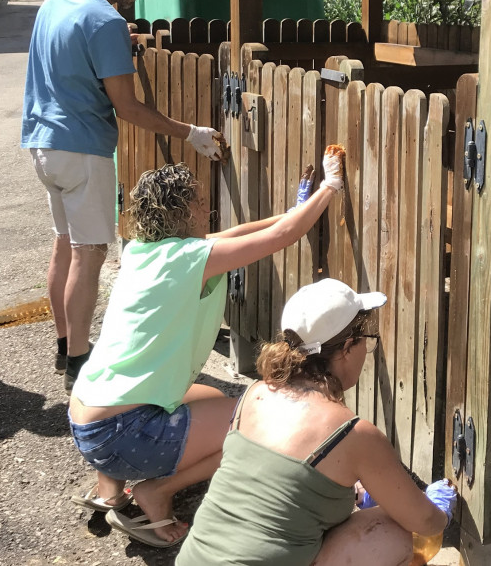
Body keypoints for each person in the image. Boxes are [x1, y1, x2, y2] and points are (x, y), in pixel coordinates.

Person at [68, 147, 345, 549]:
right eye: (200, 204)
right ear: (182, 213)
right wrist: (330, 187)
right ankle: (156, 492)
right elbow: (282, 237)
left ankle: (110, 490)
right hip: (120, 433)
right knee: (249, 424)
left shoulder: (145, 252)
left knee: (213, 397)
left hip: (86, 420)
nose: (207, 211)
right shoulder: (191, 257)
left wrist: (296, 208)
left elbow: (240, 234)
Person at [21, 0, 226, 392]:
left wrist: (120, 38)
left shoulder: (58, 1)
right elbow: (129, 108)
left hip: (43, 145)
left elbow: (76, 51)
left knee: (64, 244)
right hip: (83, 149)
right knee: (89, 255)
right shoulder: (106, 24)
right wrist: (189, 133)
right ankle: (79, 362)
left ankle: (62, 346)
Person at [176, 278, 457, 565]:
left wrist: (350, 491)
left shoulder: (256, 393)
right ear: (348, 347)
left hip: (193, 559)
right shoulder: (352, 433)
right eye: (366, 342)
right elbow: (424, 521)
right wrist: (438, 509)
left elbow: (282, 482)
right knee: (391, 533)